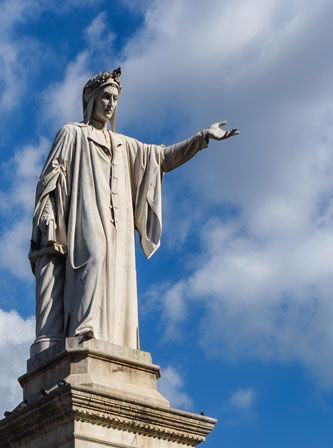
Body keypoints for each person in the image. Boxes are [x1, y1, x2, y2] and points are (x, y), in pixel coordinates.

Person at [29, 67, 238, 353]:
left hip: (120, 225)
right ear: (90, 99)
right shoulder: (72, 134)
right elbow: (51, 177)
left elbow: (162, 158)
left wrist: (202, 138)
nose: (110, 104)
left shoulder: (124, 145)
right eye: (105, 97)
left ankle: (115, 339)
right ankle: (83, 328)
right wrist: (48, 215)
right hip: (85, 211)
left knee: (116, 270)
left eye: (114, 99)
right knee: (93, 255)